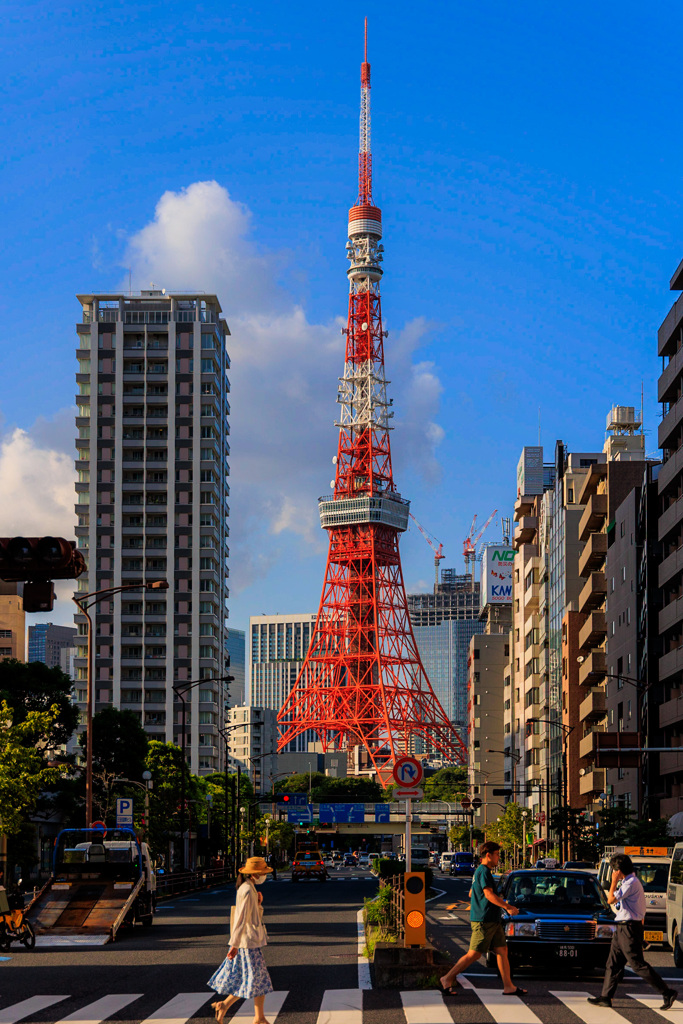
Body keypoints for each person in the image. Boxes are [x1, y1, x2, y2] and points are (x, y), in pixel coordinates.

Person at [588, 853, 678, 1011]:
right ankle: (606, 997)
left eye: (614, 870)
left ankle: (667, 992)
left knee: (637, 965)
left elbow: (610, 900)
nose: (613, 873)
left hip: (628, 928)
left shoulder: (630, 883)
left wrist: (613, 881)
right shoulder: (628, 883)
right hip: (624, 927)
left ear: (619, 870)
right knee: (613, 964)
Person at [439, 841, 526, 996]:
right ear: (488, 855)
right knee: (474, 954)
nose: (499, 858)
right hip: (484, 920)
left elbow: (471, 893)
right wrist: (507, 907)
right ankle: (447, 978)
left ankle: (508, 986)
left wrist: (482, 901)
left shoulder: (480, 872)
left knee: (502, 950)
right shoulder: (483, 871)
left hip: (492, 919)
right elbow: (488, 894)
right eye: (497, 855)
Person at [208, 856, 274, 1024]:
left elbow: (252, 916)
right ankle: (231, 1008)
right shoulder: (246, 890)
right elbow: (241, 919)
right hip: (247, 943)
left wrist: (259, 904)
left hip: (251, 941)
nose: (265, 875)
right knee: (254, 979)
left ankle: (257, 1016)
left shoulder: (249, 888)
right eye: (263, 872)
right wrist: (235, 944)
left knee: (258, 979)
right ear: (255, 874)